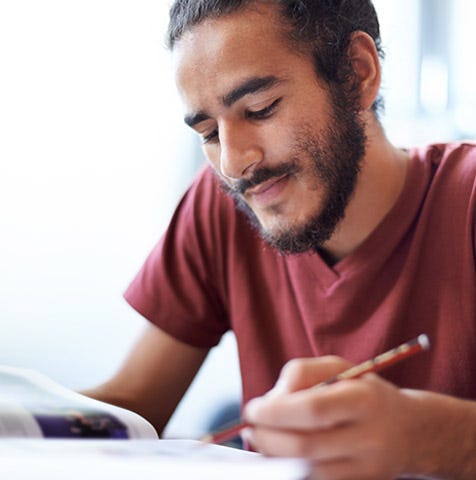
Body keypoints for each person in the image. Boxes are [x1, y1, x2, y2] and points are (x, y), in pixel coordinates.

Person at [84, 1, 476, 478]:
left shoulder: (467, 201)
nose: (232, 163)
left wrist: (435, 436)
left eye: (259, 109)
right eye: (208, 132)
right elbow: (132, 405)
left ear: (357, 73)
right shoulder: (224, 206)